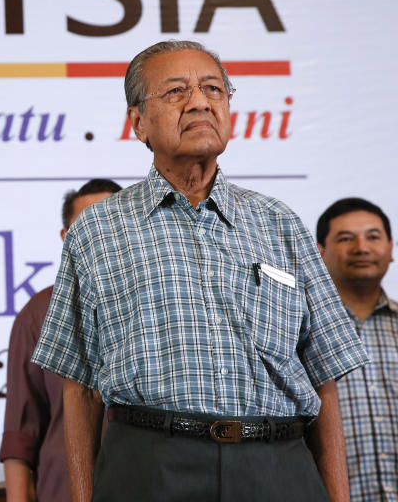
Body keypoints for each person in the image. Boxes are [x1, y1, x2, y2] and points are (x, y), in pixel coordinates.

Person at [32, 40, 367, 502]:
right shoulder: (98, 229)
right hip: (149, 467)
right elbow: (80, 392)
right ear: (138, 123)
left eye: (214, 88)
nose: (200, 101)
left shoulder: (280, 222)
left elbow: (323, 379)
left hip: (278, 466)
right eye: (175, 92)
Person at [0, 179, 121, 502]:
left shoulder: (154, 306)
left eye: (110, 225)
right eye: (86, 227)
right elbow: (19, 434)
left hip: (141, 482)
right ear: (66, 238)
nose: (99, 239)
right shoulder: (37, 314)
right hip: (61, 489)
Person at [317, 198, 396, 501]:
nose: (361, 248)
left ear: (390, 248)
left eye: (373, 237)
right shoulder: (302, 334)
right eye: (346, 238)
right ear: (319, 252)